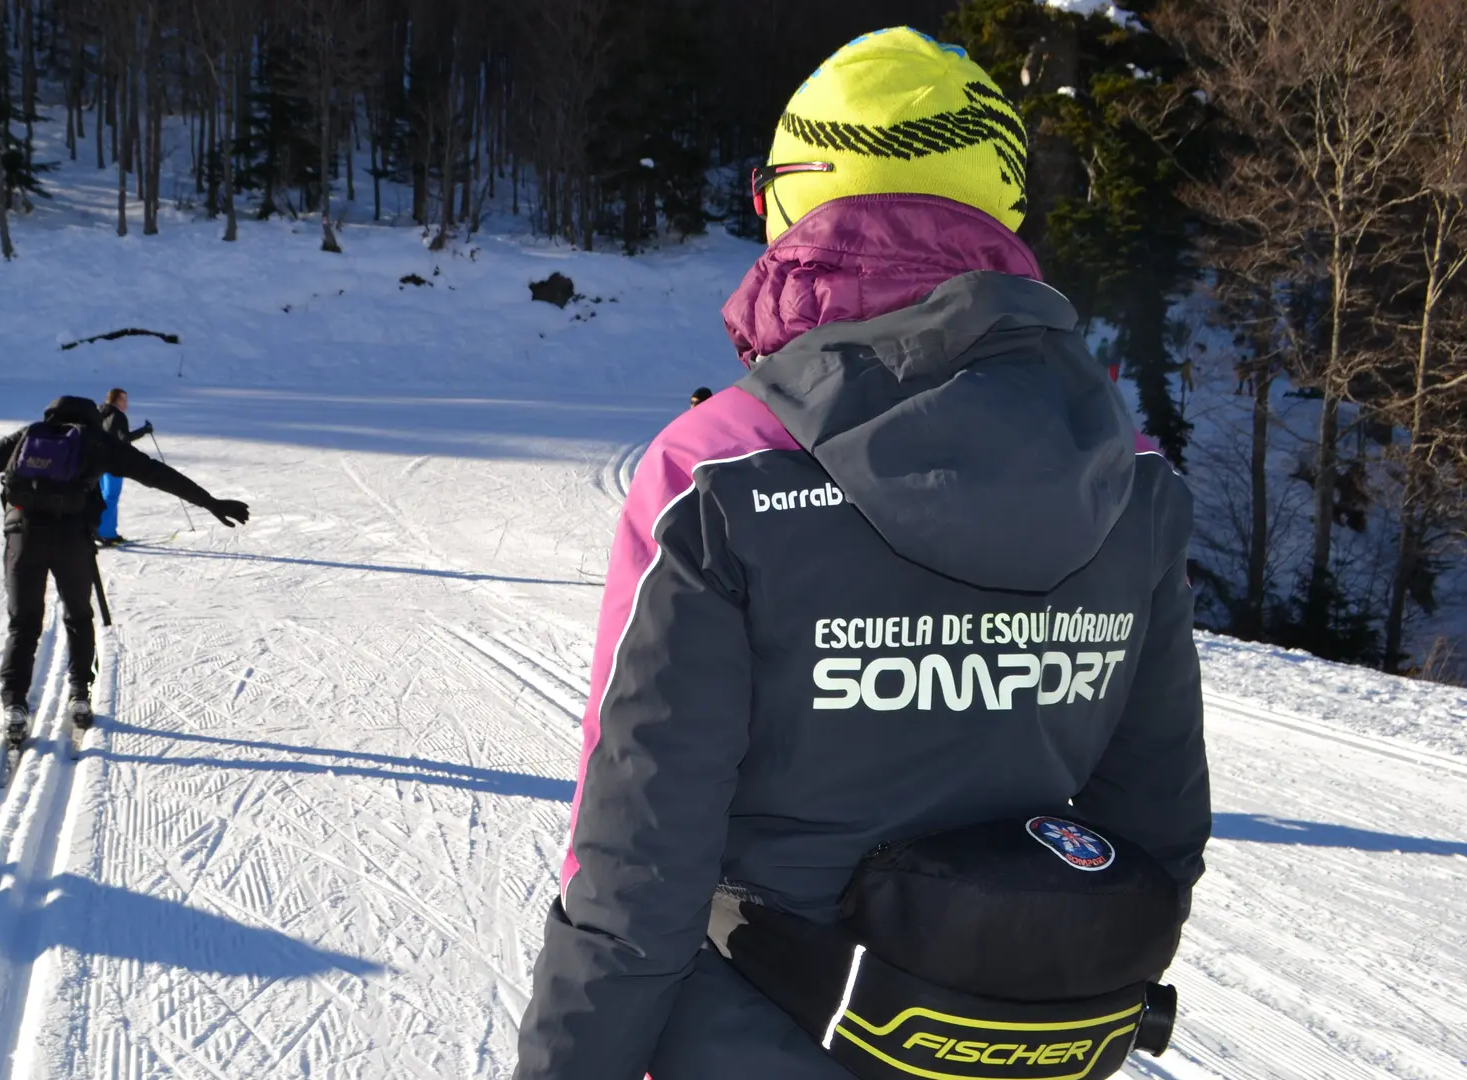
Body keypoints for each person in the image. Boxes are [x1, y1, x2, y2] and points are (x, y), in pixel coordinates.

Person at [515, 27, 1208, 1080]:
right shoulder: (1133, 475)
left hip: (757, 1033)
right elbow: (1154, 831)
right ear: (1001, 204)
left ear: (795, 197)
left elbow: (636, 872)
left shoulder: (718, 476)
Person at [0, 395, 249, 746]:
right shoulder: (97, 441)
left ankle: (14, 706)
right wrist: (210, 502)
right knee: (79, 616)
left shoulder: (28, 436)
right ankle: (80, 693)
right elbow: (157, 474)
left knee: (23, 623)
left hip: (23, 538)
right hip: (72, 541)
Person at [96, 387, 152, 547]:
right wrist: (144, 430)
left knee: (101, 496)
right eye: (124, 399)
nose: (126, 403)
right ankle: (107, 534)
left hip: (98, 462)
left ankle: (98, 530)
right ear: (117, 400)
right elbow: (124, 439)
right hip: (114, 463)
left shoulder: (100, 413)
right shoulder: (118, 416)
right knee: (111, 497)